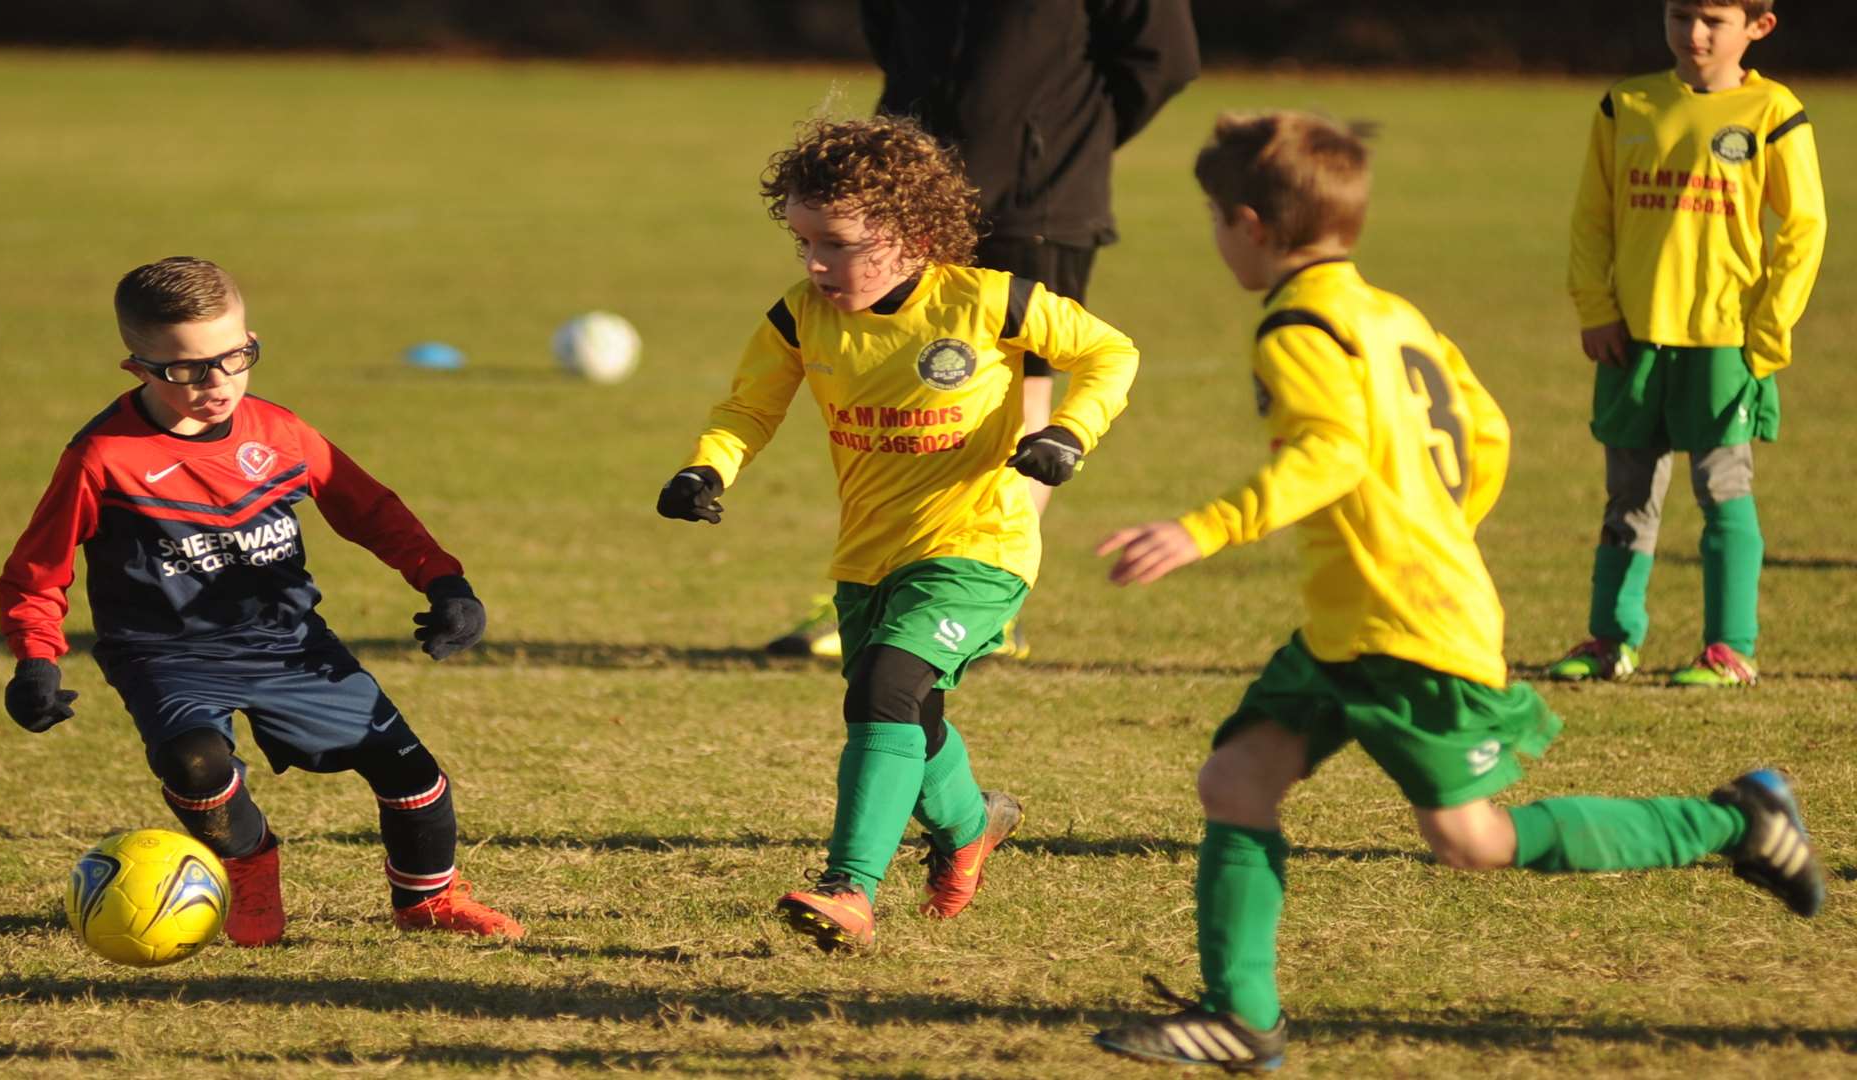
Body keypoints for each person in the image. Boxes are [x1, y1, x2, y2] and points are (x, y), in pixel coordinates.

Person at [1088, 112, 1823, 1071]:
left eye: (1213, 221)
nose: (1215, 239)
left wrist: (1202, 527)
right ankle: (1241, 1016)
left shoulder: (1297, 328)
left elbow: (1333, 453)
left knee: (1470, 839)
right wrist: (1443, 522)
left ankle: (1739, 819)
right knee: (1236, 780)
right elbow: (1487, 427)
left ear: (1250, 224)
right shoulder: (1392, 312)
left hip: (1404, 626)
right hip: (1358, 621)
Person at [657, 116, 1139, 952]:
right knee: (908, 716)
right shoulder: (800, 317)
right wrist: (707, 469)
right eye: (804, 242)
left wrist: (1068, 433)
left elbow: (1111, 353)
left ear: (911, 237)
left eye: (836, 245)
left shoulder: (987, 298)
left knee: (885, 687)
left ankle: (850, 887)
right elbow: (748, 408)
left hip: (980, 546)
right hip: (868, 558)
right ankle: (971, 827)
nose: (814, 263)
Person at [0, 257, 523, 946]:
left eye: (236, 356)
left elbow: (371, 510)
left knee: (411, 773)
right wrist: (37, 660)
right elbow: (37, 569)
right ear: (138, 368)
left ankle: (428, 901)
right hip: (166, 653)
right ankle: (249, 866)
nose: (218, 383)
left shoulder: (280, 433)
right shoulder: (104, 457)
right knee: (193, 760)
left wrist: (444, 583)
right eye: (187, 369)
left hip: (287, 643)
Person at [763, 0, 1199, 660]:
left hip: (1036, 197)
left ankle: (982, 599)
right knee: (891, 390)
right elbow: (891, 32)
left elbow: (1163, 58)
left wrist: (1058, 138)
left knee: (1022, 400)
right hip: (898, 199)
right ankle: (891, 581)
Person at [1547, 0, 1824, 688]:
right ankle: (1611, 641)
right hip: (1633, 336)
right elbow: (1592, 218)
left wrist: (1767, 329)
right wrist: (1596, 306)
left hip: (1724, 338)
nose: (1693, 34)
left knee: (1722, 487)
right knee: (1627, 494)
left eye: (1712, 20)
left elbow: (1803, 228)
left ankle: (1730, 648)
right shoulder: (1626, 104)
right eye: (1679, 15)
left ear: (1758, 26)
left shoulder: (1773, 111)